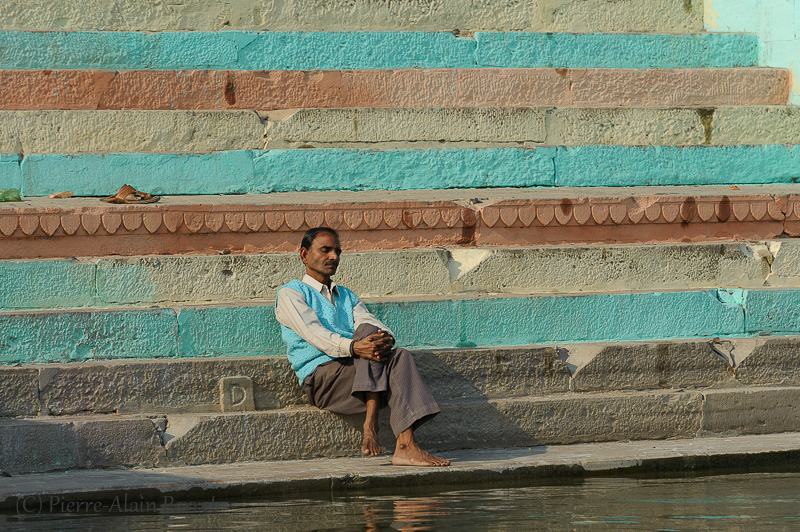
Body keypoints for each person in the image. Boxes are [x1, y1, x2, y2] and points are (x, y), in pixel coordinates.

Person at [275, 227, 450, 466]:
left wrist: (384, 339)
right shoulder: (291, 293)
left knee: (398, 354)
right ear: (304, 255)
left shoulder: (346, 296)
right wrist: (355, 348)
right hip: (323, 378)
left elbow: (372, 324)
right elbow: (315, 333)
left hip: (358, 373)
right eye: (325, 250)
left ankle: (404, 444)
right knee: (371, 345)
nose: (333, 257)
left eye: (337, 251)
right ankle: (373, 422)